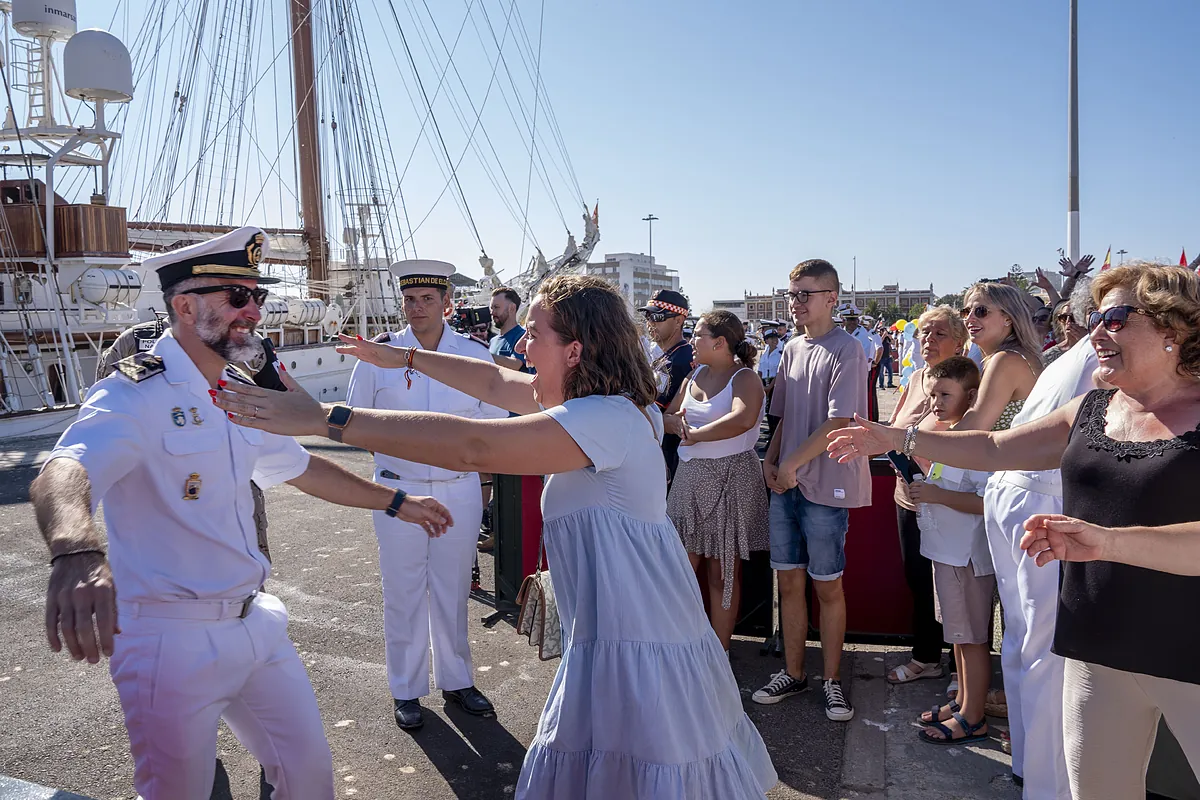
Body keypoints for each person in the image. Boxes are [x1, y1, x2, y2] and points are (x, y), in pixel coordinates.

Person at [213, 274, 777, 798]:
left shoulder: (603, 418)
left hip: (631, 632)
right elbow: (490, 379)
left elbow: (472, 447)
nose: (524, 348)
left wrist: (326, 419)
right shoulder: (602, 405)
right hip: (622, 623)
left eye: (534, 334)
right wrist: (403, 357)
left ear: (575, 350)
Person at [29, 227, 452, 800]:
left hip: (256, 624)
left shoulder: (236, 388)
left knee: (309, 780)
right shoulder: (134, 395)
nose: (254, 310)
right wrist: (76, 550)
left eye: (259, 296)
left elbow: (299, 466)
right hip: (170, 639)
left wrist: (398, 502)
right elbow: (64, 470)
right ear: (184, 306)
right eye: (236, 297)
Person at [827, 262, 1200, 799]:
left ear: (1174, 327)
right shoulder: (1093, 409)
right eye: (1094, 317)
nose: (1095, 331)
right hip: (1096, 650)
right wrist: (896, 438)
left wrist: (1111, 543)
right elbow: (994, 448)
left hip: (1189, 651)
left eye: (1115, 318)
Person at [346, 259, 507, 731]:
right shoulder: (379, 355)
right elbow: (356, 421)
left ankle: (457, 681)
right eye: (410, 299)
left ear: (447, 303)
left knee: (453, 590)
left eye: (427, 300)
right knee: (403, 592)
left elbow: (496, 418)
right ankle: (407, 688)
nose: (417, 308)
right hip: (399, 490)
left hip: (458, 489)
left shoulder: (473, 356)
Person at [752, 259, 869, 722]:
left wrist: (790, 465)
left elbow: (839, 421)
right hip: (788, 483)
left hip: (826, 485)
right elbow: (781, 417)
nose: (795, 302)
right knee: (789, 581)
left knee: (828, 584)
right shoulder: (792, 348)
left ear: (832, 298)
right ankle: (794, 672)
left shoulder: (848, 349)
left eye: (805, 293)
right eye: (791, 293)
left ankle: (833, 681)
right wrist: (771, 460)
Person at [663, 310, 768, 652]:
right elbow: (669, 416)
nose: (692, 340)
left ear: (720, 342)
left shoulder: (745, 378)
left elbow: (743, 418)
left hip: (730, 479)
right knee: (680, 568)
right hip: (690, 480)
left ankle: (719, 655)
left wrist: (694, 435)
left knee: (722, 573)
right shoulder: (692, 377)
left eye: (699, 335)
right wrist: (675, 425)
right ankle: (681, 646)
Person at [907, 357, 995, 746]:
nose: (935, 403)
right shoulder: (952, 435)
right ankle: (963, 701)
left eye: (945, 394)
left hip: (966, 558)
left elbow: (987, 502)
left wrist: (937, 494)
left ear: (972, 396)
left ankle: (973, 717)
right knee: (958, 636)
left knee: (973, 638)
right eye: (932, 395)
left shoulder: (976, 442)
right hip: (946, 554)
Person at [884, 306, 968, 687]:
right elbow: (895, 428)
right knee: (919, 579)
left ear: (959, 340)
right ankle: (926, 656)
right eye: (925, 333)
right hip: (909, 498)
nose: (929, 341)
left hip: (952, 501)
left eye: (939, 334)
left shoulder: (972, 380)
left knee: (959, 585)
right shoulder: (916, 377)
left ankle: (964, 668)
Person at [642, 289, 694, 487]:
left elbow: (653, 413)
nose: (650, 322)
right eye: (647, 315)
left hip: (672, 456)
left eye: (657, 316)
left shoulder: (681, 358)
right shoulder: (668, 356)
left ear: (679, 320)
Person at [838, 303, 881, 422]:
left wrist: (872, 363)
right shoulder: (839, 333)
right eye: (849, 319)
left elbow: (872, 350)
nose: (852, 322)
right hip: (843, 372)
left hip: (859, 372)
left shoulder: (865, 333)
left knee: (861, 398)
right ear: (844, 320)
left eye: (854, 319)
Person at [489, 286, 528, 371]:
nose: (492, 312)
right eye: (491, 308)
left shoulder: (523, 337)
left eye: (496, 307)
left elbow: (517, 364)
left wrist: (483, 355)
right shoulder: (493, 341)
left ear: (512, 308)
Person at [758, 328, 783, 443]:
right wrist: (760, 386)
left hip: (774, 384)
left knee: (774, 412)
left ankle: (774, 439)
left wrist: (769, 387)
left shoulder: (779, 354)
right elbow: (760, 371)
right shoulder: (764, 353)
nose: (774, 340)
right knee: (767, 411)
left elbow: (779, 373)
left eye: (776, 338)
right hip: (764, 383)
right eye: (771, 338)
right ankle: (771, 435)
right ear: (766, 340)